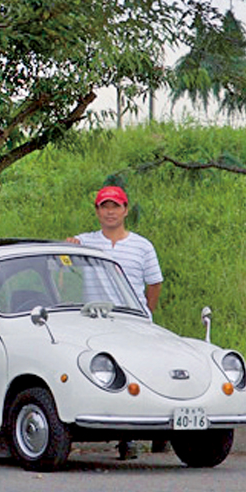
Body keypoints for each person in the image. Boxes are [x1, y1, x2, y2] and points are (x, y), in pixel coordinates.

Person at [65, 184, 164, 459]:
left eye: (115, 206)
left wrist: (145, 312)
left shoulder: (142, 246)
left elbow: (154, 283)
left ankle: (150, 432)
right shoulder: (86, 242)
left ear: (125, 210)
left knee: (142, 375)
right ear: (97, 211)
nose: (110, 212)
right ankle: (123, 436)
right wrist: (70, 244)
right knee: (111, 377)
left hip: (132, 321)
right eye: (104, 207)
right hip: (96, 320)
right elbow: (64, 258)